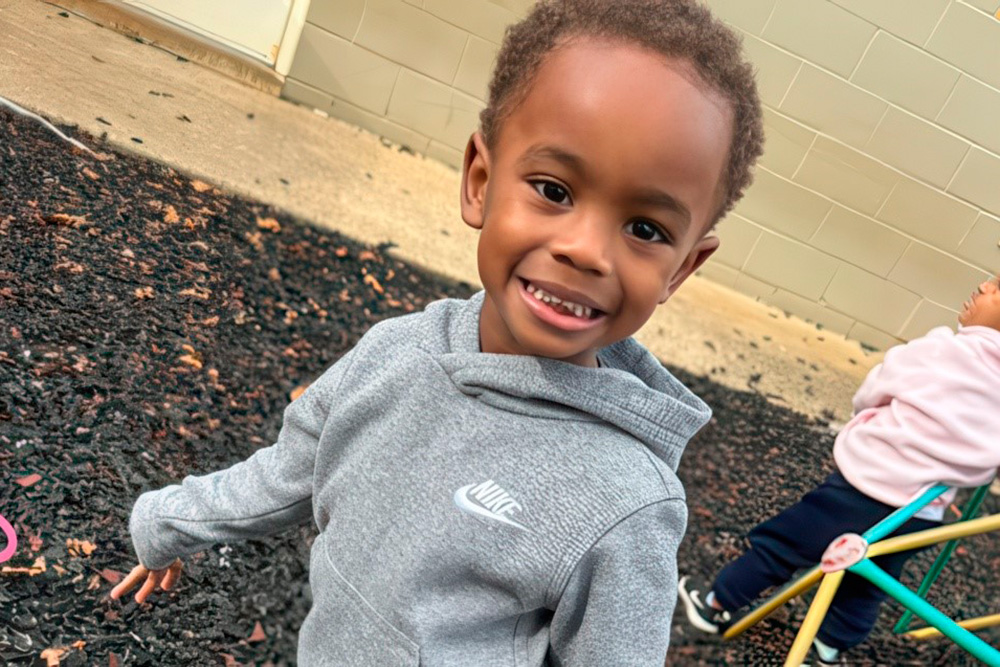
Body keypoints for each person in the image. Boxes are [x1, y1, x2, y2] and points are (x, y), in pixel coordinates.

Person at [110, 0, 764, 663]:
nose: (587, 249)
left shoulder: (626, 503)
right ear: (480, 180)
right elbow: (289, 472)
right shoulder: (395, 353)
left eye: (645, 229)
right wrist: (166, 523)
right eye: (553, 190)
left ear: (683, 266)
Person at [679, 274, 1000, 665]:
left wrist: (862, 418)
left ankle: (716, 604)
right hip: (923, 512)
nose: (983, 285)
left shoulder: (940, 350)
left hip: (863, 489)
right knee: (868, 580)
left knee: (783, 545)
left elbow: (875, 390)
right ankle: (832, 643)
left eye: (997, 287)